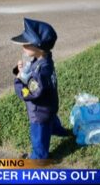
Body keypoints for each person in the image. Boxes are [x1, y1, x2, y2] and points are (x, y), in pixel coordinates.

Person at [11, 18, 70, 159]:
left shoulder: (42, 70)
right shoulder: (44, 60)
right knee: (52, 120)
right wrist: (22, 71)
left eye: (26, 44)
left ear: (38, 47)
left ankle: (38, 159)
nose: (22, 47)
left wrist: (18, 81)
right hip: (49, 107)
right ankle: (59, 131)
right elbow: (33, 74)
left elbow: (30, 93)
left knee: (39, 137)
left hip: (39, 114)